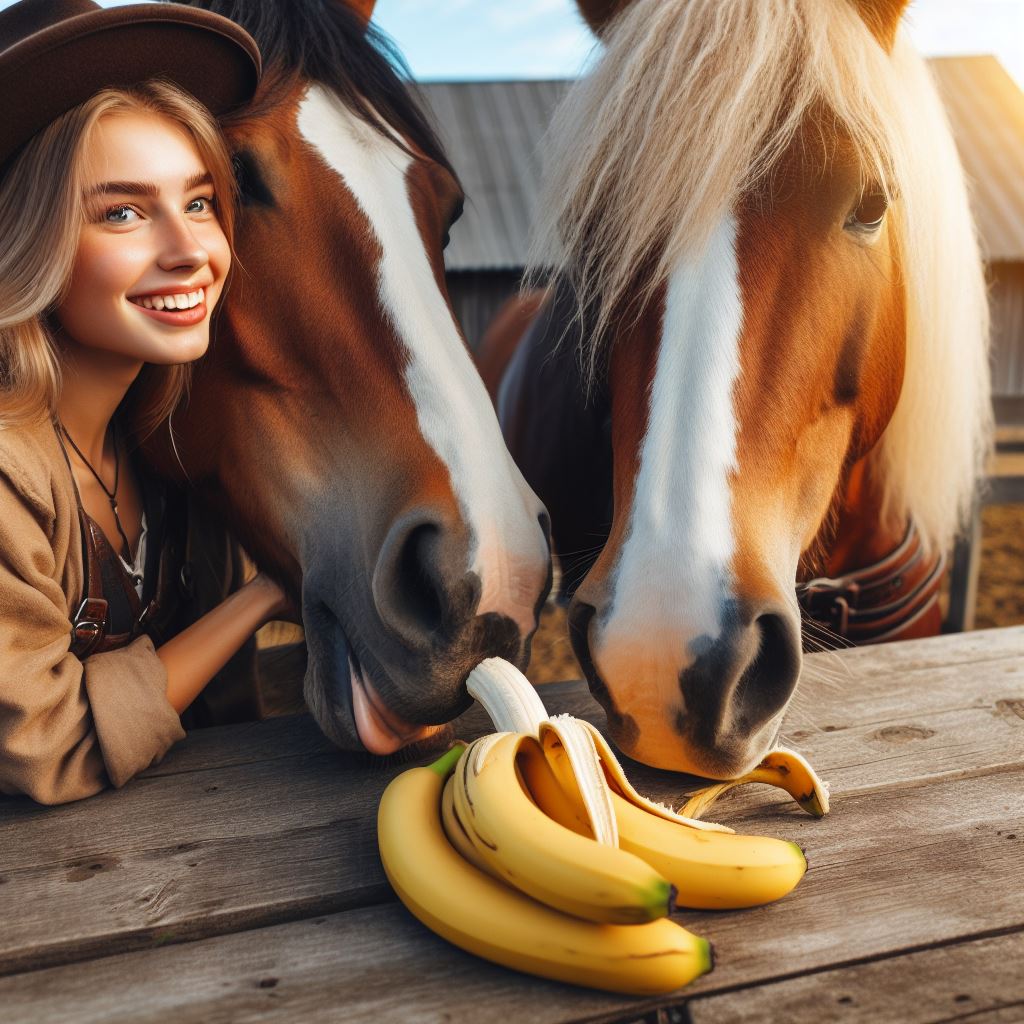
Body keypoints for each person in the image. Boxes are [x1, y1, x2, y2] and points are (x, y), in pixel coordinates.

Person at [0, 0, 288, 804]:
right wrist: (261, 597)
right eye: (123, 212)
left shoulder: (164, 448)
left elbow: (222, 722)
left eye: (198, 202)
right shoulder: (8, 476)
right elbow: (47, 744)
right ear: (27, 239)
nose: (190, 249)